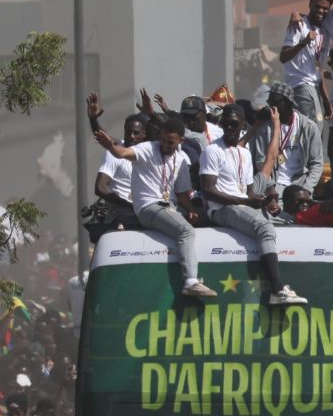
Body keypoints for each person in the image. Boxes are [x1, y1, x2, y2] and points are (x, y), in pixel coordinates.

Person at [93, 117, 217, 298]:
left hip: (170, 207)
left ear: (181, 141)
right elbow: (122, 153)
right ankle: (191, 282)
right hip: (148, 207)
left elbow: (181, 194)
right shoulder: (147, 149)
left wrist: (191, 209)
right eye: (163, 140)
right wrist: (110, 146)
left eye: (170, 142)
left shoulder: (181, 160)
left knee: (206, 217)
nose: (165, 145)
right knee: (186, 231)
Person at [199, 104, 306, 306]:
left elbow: (248, 192)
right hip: (220, 209)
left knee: (277, 221)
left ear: (242, 125)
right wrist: (246, 202)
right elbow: (208, 190)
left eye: (234, 124)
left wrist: (264, 202)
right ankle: (277, 289)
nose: (229, 128)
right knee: (265, 228)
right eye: (226, 124)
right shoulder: (212, 151)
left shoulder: (245, 152)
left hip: (239, 204)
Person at [252, 82, 325, 196]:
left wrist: (307, 189)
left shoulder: (308, 127)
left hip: (300, 184)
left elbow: (317, 163)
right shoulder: (265, 128)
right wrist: (269, 187)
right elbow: (261, 161)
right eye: (269, 102)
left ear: (289, 103)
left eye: (275, 103)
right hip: (274, 185)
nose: (271, 107)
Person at [281, 0, 333, 135]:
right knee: (313, 129)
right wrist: (304, 42)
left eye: (325, 8)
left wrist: (325, 99)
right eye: (317, 6)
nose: (321, 11)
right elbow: (283, 57)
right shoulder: (299, 24)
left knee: (315, 129)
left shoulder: (325, 32)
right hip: (300, 84)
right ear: (310, 4)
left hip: (314, 87)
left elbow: (318, 68)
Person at [91, 97, 146, 229]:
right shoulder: (114, 151)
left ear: (144, 134)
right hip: (121, 212)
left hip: (144, 209)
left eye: (136, 133)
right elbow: (100, 188)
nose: (131, 136)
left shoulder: (149, 152)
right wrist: (93, 119)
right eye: (128, 132)